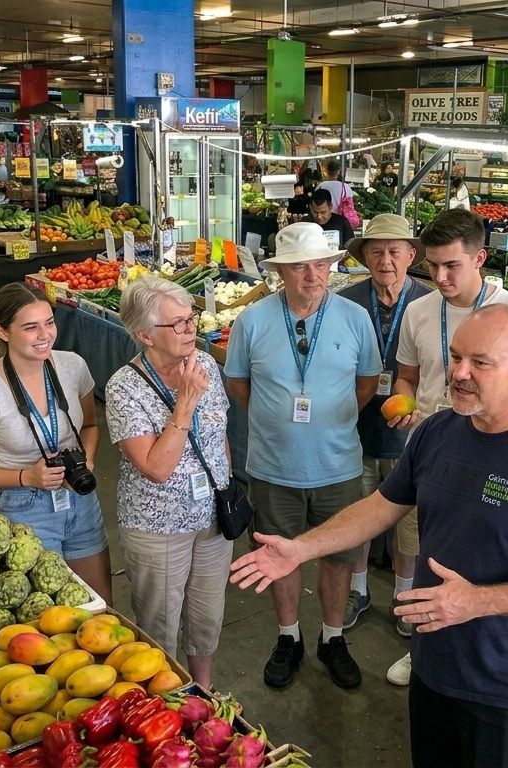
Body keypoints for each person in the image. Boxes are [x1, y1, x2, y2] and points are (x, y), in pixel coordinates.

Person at [230, 303, 508, 768]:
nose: (460, 373)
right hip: (432, 663)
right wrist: (301, 547)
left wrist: (476, 601)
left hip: (503, 683)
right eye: (455, 357)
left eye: (480, 362)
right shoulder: (437, 432)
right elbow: (380, 507)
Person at [384, 207, 508, 685]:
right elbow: (408, 377)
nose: (439, 276)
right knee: (424, 548)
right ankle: (423, 643)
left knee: (480, 552)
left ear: (480, 258)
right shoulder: (418, 310)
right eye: (431, 266)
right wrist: (406, 404)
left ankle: (478, 650)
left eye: (451, 265)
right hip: (429, 449)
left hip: (493, 457)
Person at [223, 222, 381, 690]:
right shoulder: (253, 320)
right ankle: (288, 636)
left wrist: (330, 418)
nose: (313, 275)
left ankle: (332, 638)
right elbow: (237, 382)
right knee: (277, 554)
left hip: (338, 466)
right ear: (281, 273)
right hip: (273, 468)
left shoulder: (354, 318)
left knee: (337, 557)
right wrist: (276, 421)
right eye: (300, 267)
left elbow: (367, 383)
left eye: (321, 265)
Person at [106, 276, 232, 687]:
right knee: (159, 622)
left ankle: (204, 688)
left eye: (190, 319)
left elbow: (219, 434)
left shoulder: (206, 363)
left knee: (207, 612)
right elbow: (156, 467)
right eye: (176, 324)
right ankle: (164, 697)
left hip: (213, 518)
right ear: (144, 335)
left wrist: (225, 484)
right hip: (157, 526)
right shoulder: (124, 388)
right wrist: (186, 401)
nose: (190, 329)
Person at [0, 283, 113, 603]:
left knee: (99, 604)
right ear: (3, 331)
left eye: (49, 322)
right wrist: (28, 476)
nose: (44, 335)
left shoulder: (72, 366)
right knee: (42, 611)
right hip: (25, 508)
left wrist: (87, 460)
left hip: (79, 498)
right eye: (30, 327)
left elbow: (92, 426)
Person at [336, 214, 432, 629]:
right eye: (376, 251)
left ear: (411, 255)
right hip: (352, 431)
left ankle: (404, 598)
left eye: (395, 250)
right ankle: (358, 590)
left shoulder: (430, 304)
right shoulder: (345, 302)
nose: (386, 259)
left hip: (411, 436)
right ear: (365, 257)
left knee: (408, 525)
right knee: (357, 517)